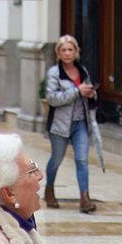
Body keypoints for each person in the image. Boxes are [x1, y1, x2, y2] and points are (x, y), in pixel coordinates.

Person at [43, 35, 99, 214]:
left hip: (80, 123)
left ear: (76, 52)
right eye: (63, 50)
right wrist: (77, 91)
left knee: (82, 160)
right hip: (60, 125)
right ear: (58, 53)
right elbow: (52, 99)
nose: (67, 53)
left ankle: (85, 198)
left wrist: (91, 94)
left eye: (70, 50)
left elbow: (88, 93)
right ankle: (49, 189)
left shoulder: (82, 71)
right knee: (56, 159)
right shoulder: (54, 73)